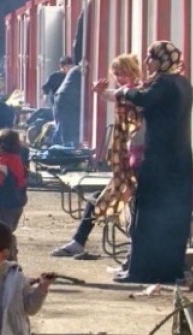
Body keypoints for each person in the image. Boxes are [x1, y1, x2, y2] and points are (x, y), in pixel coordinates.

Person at [112, 41, 193, 284]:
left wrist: (124, 91)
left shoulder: (163, 83)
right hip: (180, 159)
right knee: (174, 215)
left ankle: (141, 270)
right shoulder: (183, 83)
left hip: (159, 158)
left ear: (161, 60)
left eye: (151, 57)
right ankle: (170, 269)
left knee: (148, 214)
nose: (147, 62)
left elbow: (143, 98)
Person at [52, 53, 144, 258]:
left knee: (102, 198)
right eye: (117, 74)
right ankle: (79, 241)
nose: (119, 77)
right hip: (126, 158)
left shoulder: (139, 93)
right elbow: (116, 94)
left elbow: (122, 96)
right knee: (100, 198)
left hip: (135, 160)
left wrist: (104, 93)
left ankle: (80, 241)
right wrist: (101, 93)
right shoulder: (129, 92)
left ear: (133, 71)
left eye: (123, 73)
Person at [0, 129, 28, 261]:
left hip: (5, 203)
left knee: (2, 232)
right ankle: (10, 250)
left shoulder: (1, 163)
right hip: (19, 202)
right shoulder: (19, 160)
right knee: (9, 229)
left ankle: (8, 256)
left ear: (2, 146)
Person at [52, 58, 83, 148]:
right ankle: (66, 153)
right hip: (69, 100)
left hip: (60, 97)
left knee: (62, 125)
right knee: (69, 128)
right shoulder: (80, 70)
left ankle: (56, 149)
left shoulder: (74, 71)